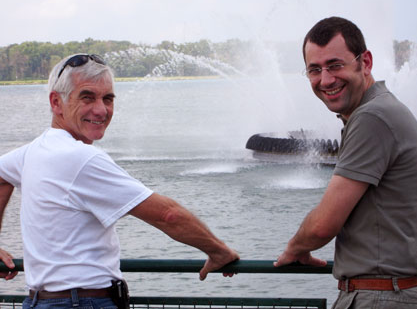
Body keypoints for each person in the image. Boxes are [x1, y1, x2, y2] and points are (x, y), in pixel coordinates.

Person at [0, 54, 239, 308]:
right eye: (87, 97)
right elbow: (168, 215)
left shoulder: (36, 150)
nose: (101, 110)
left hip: (39, 301)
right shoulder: (81, 158)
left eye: (108, 99)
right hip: (82, 302)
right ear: (56, 102)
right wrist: (219, 251)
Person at [274, 17, 417, 308]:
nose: (326, 79)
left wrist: (295, 248)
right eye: (314, 70)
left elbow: (323, 226)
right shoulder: (386, 109)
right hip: (397, 293)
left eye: (335, 65)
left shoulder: (373, 117)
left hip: (379, 296)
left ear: (365, 62)